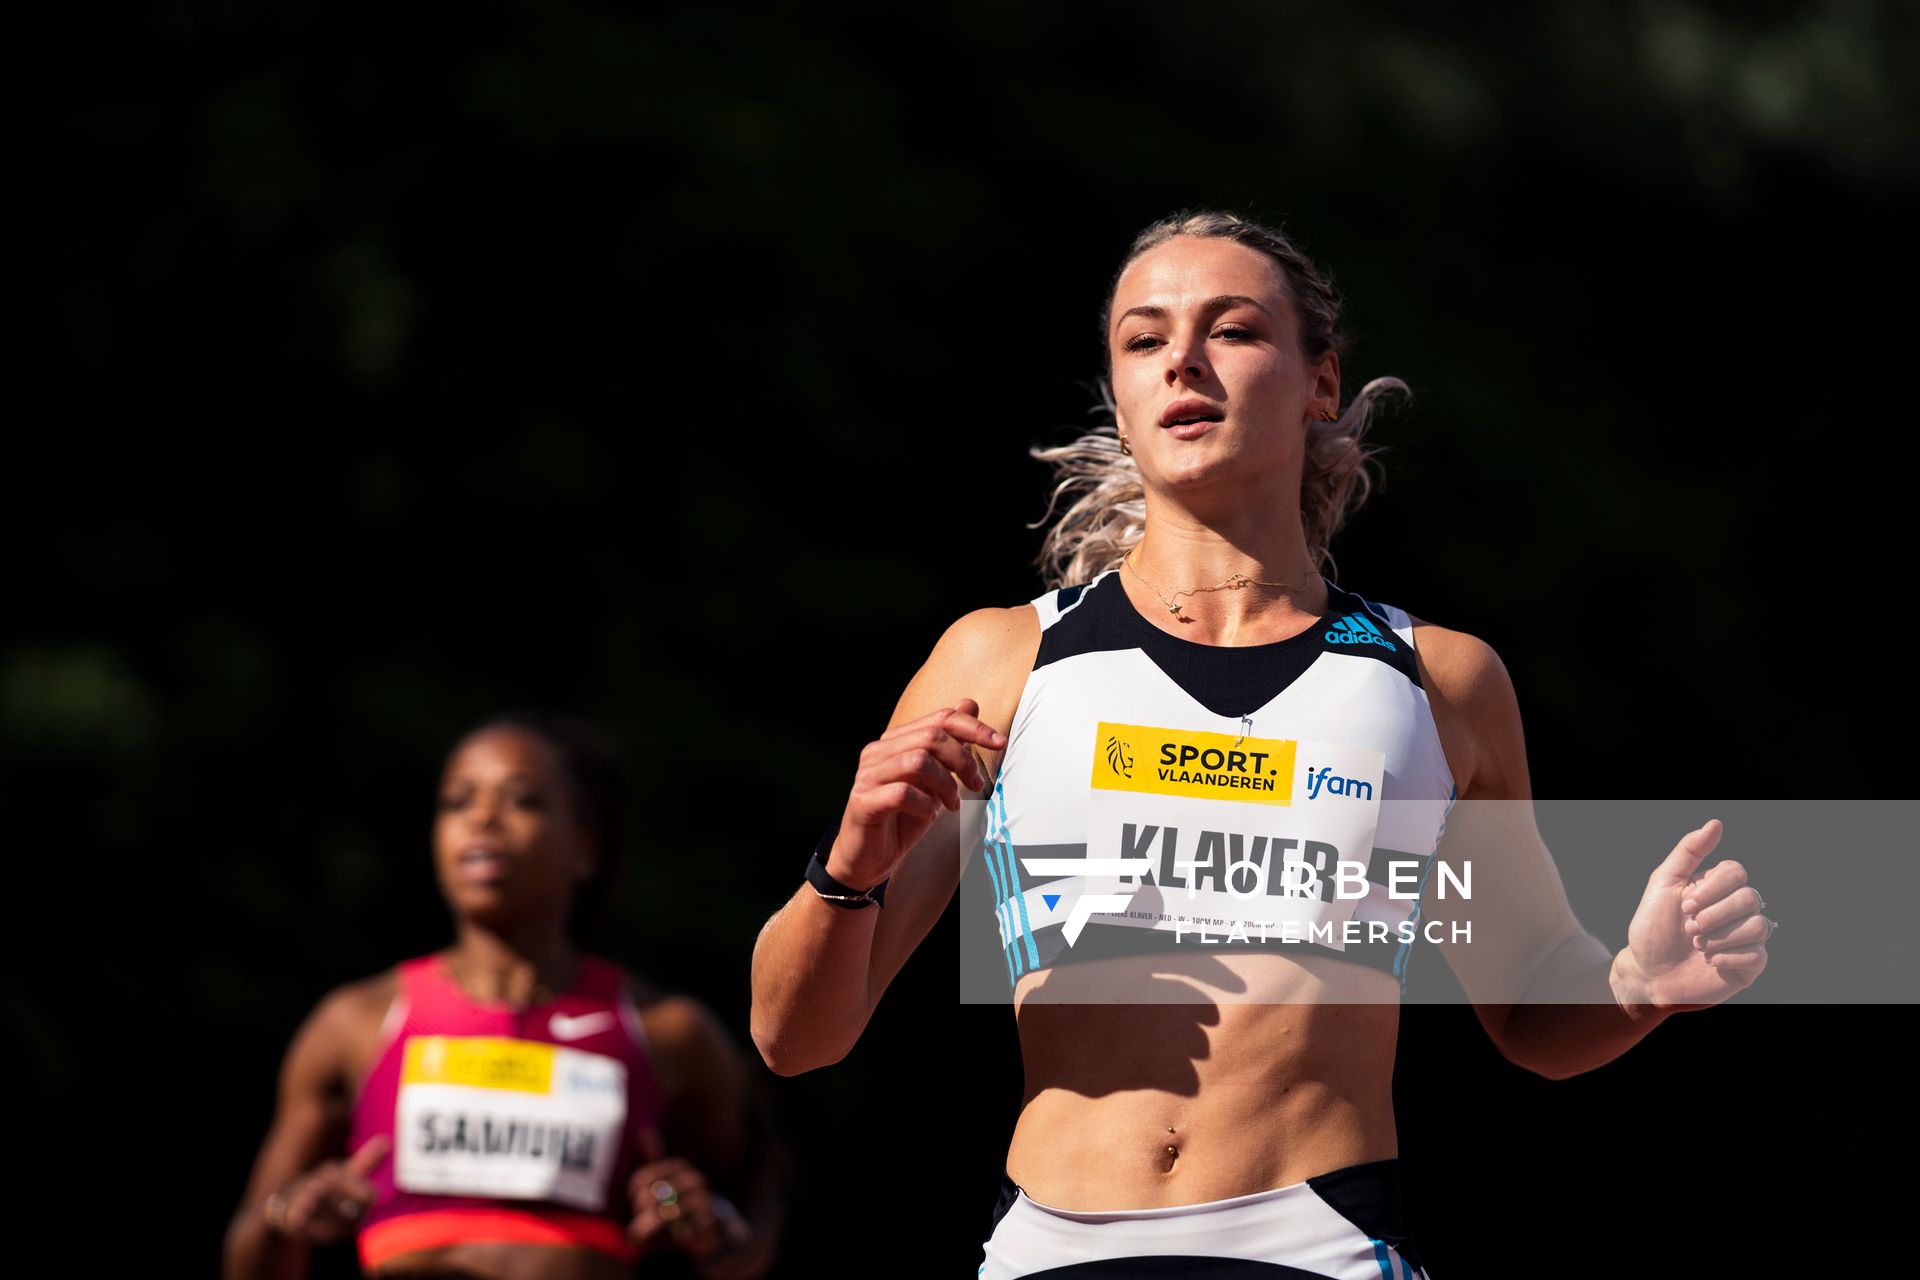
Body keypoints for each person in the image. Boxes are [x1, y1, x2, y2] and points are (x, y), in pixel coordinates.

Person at [747, 209, 1773, 1277]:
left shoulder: (1439, 679)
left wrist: (1638, 986)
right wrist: (849, 867)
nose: (1183, 359)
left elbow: (1529, 1000)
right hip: (1051, 1248)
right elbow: (793, 1035)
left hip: (1317, 1244)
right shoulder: (999, 660)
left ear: (1320, 382)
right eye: (1145, 340)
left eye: (1230, 329)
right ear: (1120, 394)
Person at [225, 712, 785, 1280]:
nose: (482, 820)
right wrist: (285, 1215)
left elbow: (751, 1232)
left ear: (584, 849)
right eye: (457, 802)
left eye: (522, 801)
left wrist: (705, 1222)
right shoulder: (355, 1022)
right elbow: (249, 1249)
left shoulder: (665, 1031)